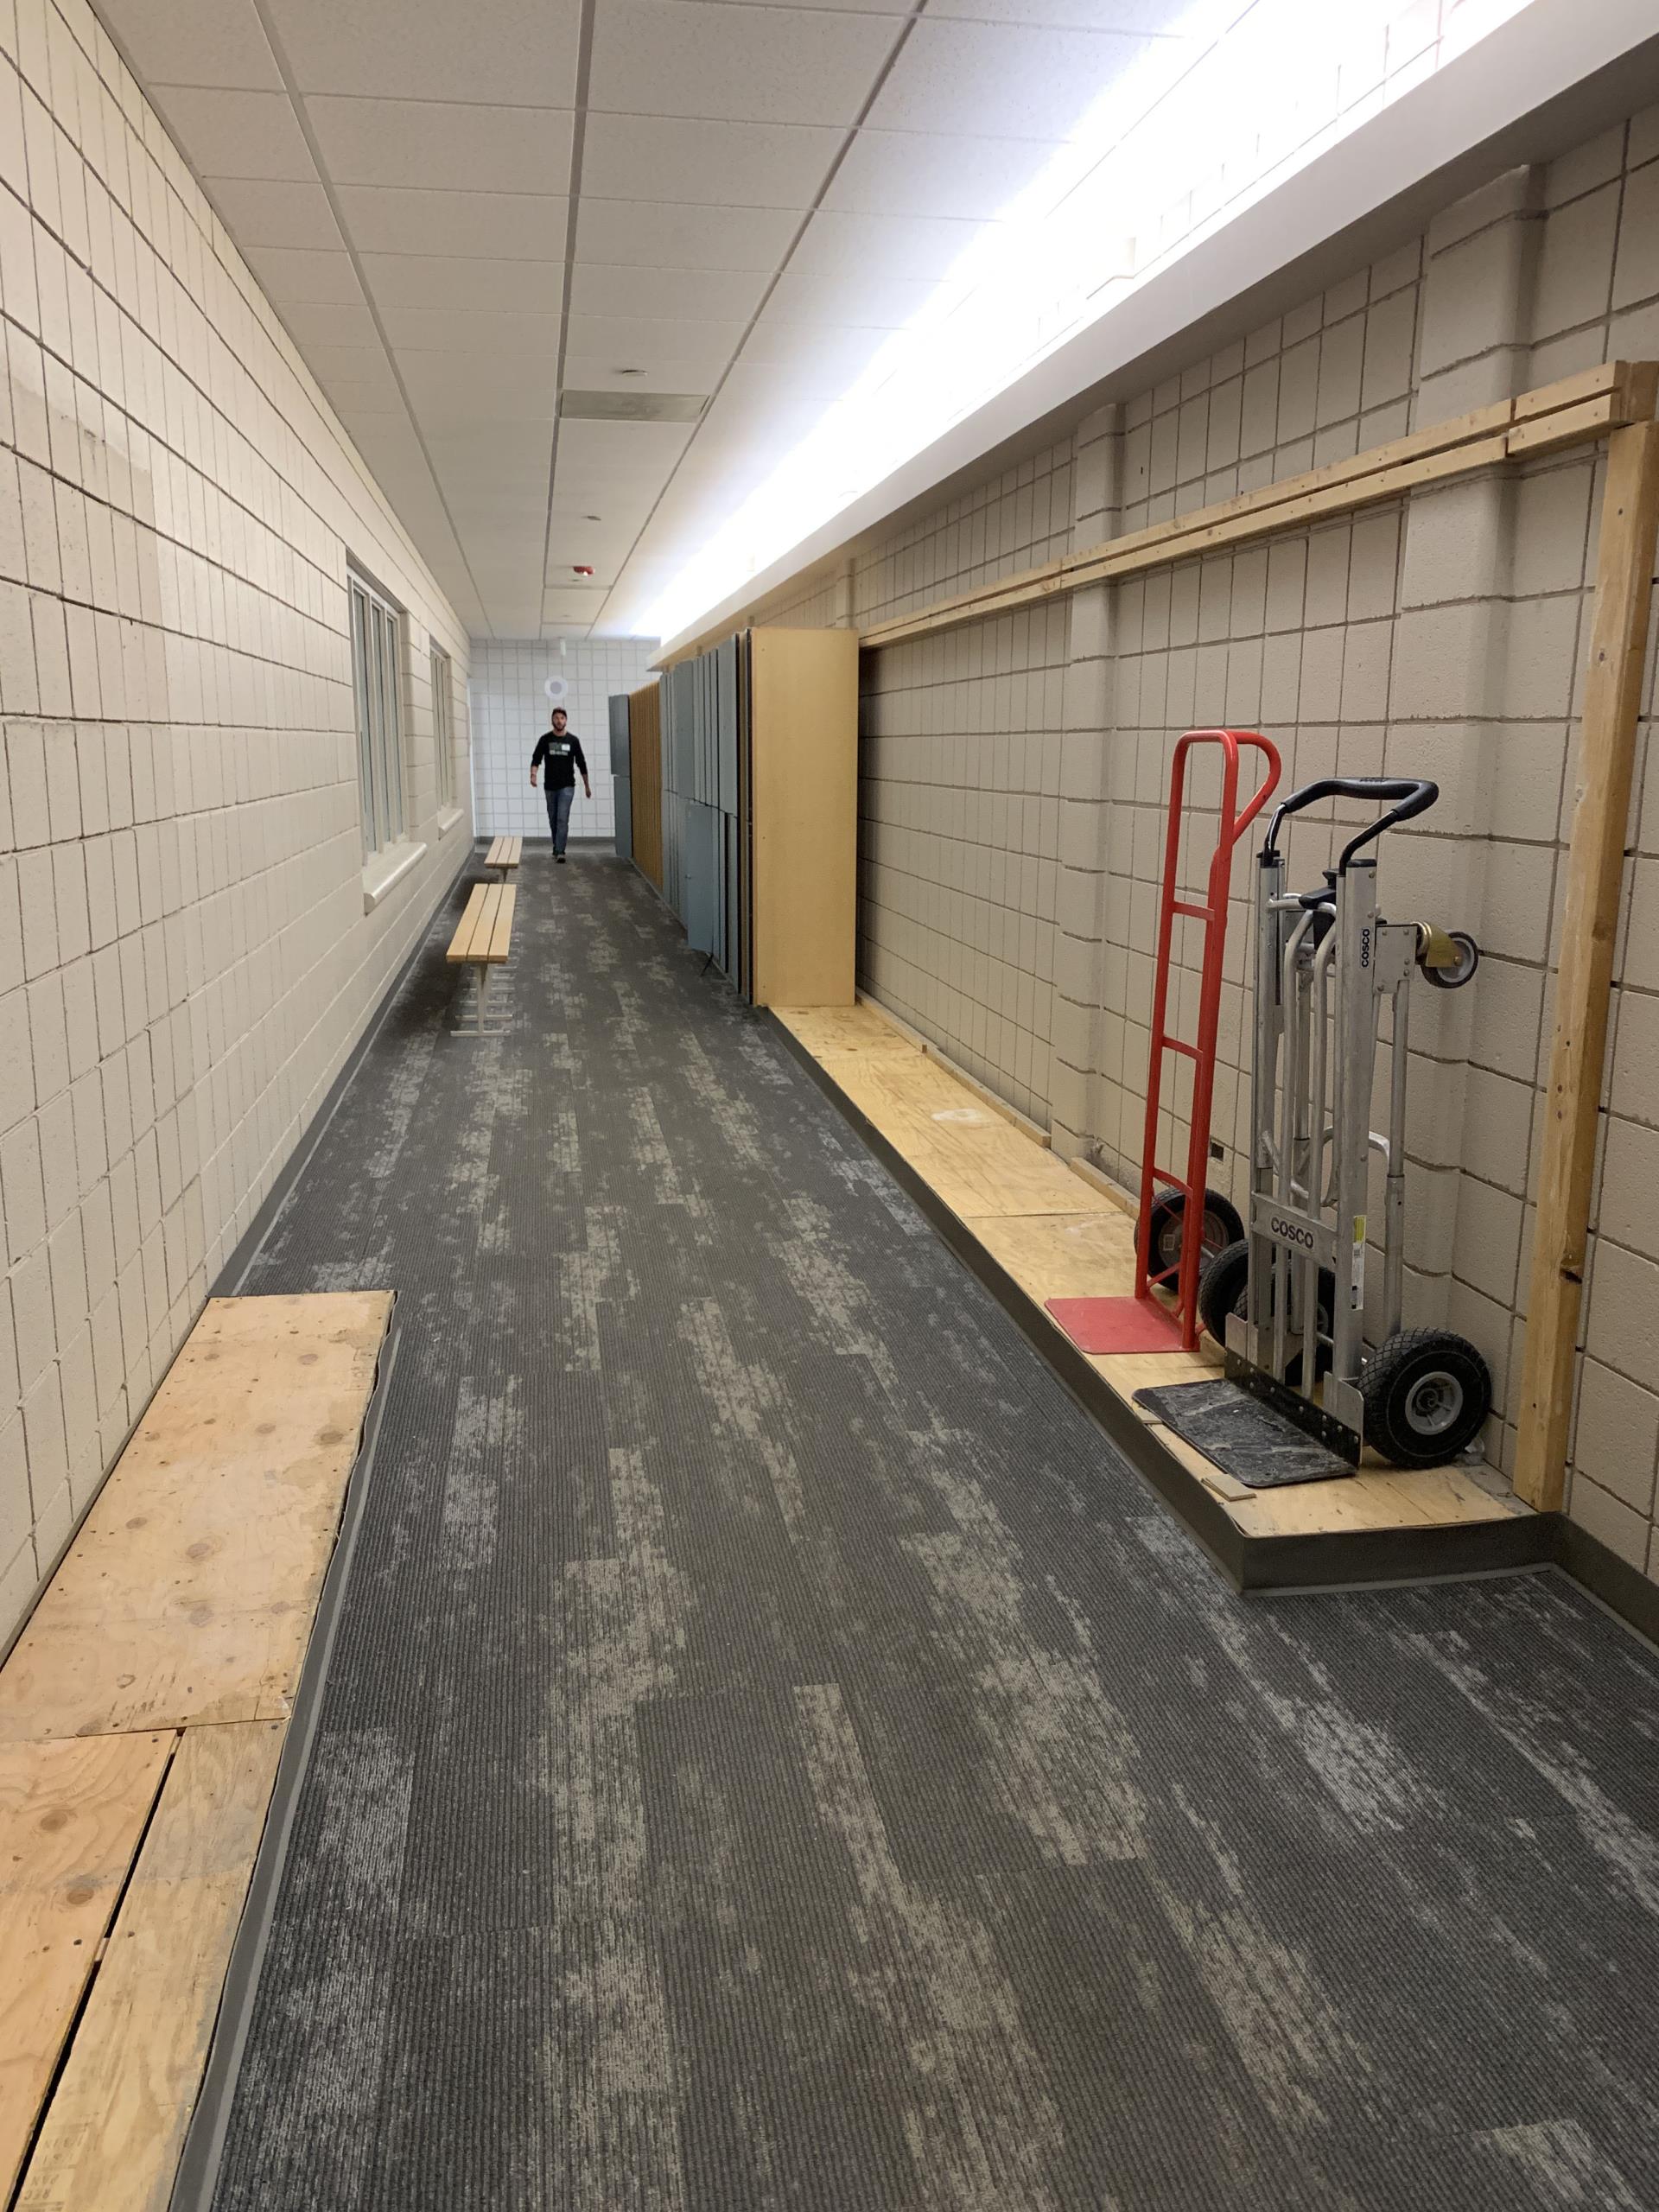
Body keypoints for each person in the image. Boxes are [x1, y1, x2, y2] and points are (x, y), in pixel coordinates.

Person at [529, 709, 592, 861]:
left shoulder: (573, 741)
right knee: (553, 818)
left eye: (562, 718)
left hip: (567, 786)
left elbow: (581, 763)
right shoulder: (545, 740)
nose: (559, 721)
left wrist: (587, 785)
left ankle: (560, 851)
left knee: (562, 818)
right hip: (550, 786)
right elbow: (536, 759)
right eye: (556, 718)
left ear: (566, 721)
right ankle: (556, 847)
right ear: (552, 721)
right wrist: (533, 775)